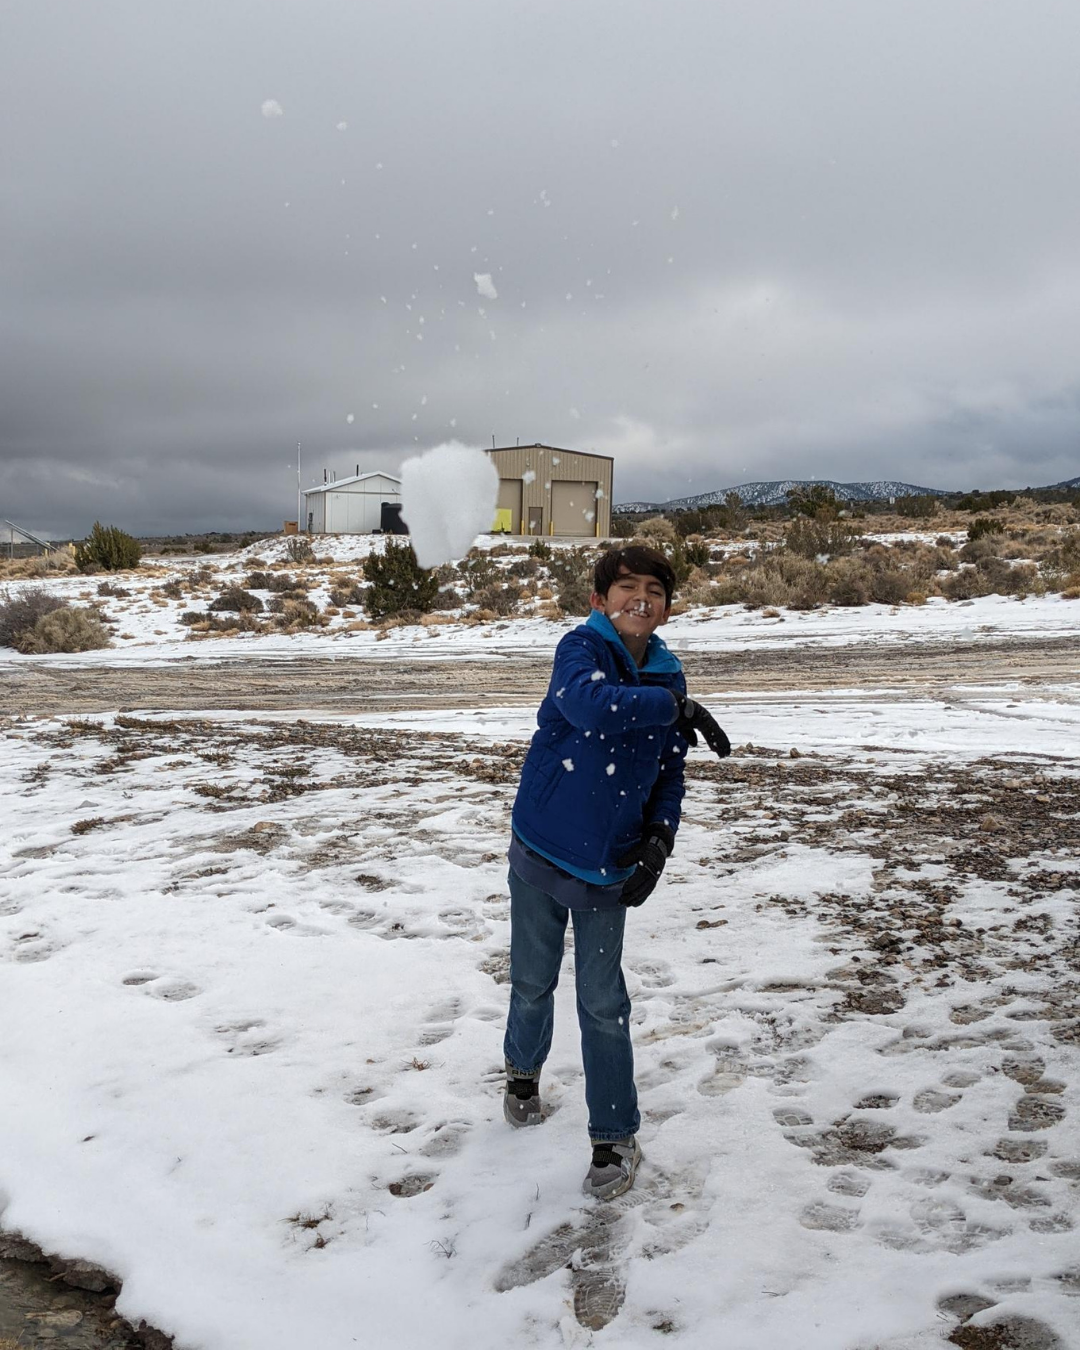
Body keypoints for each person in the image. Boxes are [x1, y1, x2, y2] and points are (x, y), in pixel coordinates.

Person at [502, 544, 730, 1200]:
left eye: (653, 589)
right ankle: (521, 1070)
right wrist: (675, 709)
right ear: (599, 601)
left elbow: (669, 772)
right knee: (532, 978)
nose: (640, 597)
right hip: (541, 847)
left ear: (666, 606)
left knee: (603, 1003)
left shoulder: (668, 672)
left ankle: (613, 1138)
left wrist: (658, 842)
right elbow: (591, 708)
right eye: (625, 587)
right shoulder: (578, 650)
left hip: (608, 864)